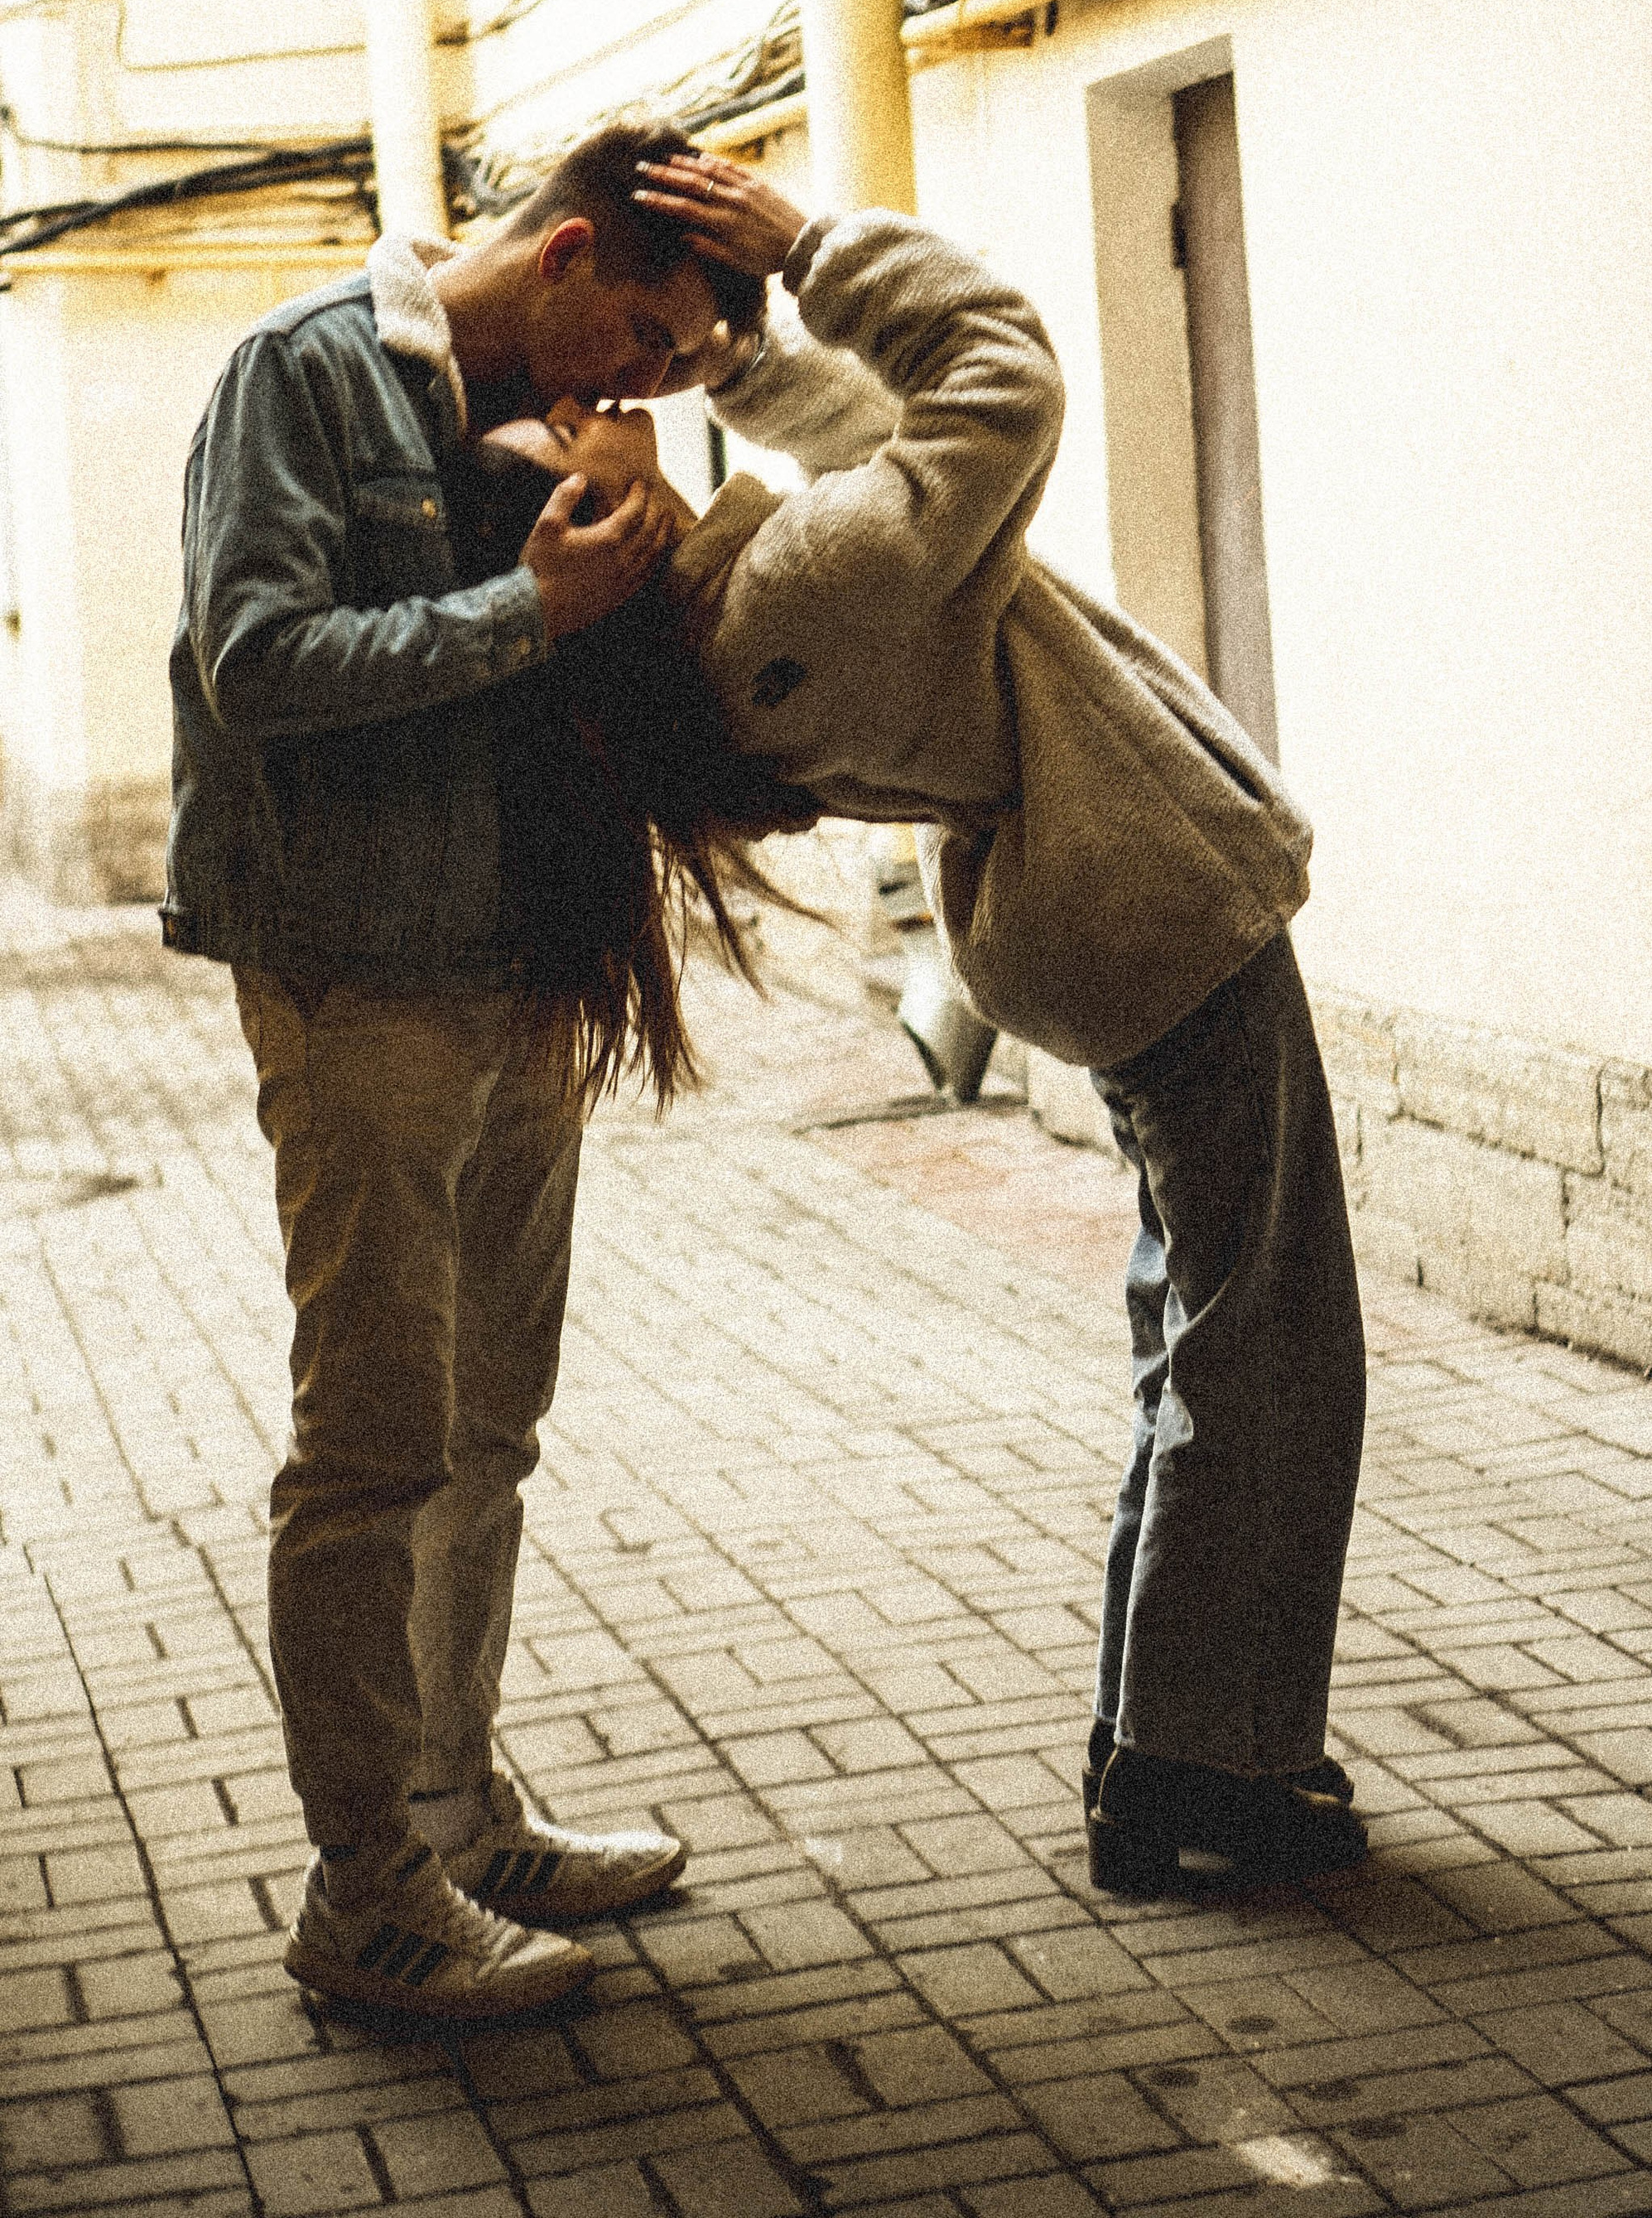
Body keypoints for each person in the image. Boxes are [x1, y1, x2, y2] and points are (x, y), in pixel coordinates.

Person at [542, 149, 1369, 1898]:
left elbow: (864, 464)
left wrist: (743, 364)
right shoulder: (781, 601)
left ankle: (1171, 1735)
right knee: (1263, 1345)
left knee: (1203, 1328)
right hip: (1148, 908)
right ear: (595, 533)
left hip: (1102, 916)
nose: (601, 403)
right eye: (567, 433)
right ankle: (1199, 1769)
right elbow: (997, 380)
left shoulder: (738, 622)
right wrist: (814, 252)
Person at [164, 122, 768, 2023]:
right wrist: (533, 609)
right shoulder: (301, 373)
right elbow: (256, 661)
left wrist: (631, 549)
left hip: (519, 973)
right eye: (643, 344)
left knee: (490, 1422)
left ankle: (455, 1806)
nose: (640, 389)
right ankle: (362, 1898)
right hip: (360, 974)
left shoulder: (546, 428)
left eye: (673, 378)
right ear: (569, 250)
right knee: (371, 1446)